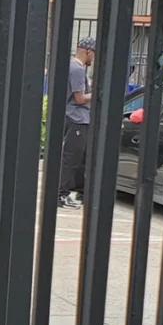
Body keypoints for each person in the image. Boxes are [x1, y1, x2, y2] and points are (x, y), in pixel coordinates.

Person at [59, 37, 95, 209]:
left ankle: (79, 191)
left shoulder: (74, 68)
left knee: (80, 158)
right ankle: (62, 194)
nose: (93, 57)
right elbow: (80, 98)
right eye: (93, 53)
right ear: (87, 51)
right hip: (77, 119)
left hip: (78, 119)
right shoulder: (78, 70)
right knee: (72, 158)